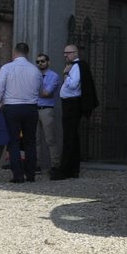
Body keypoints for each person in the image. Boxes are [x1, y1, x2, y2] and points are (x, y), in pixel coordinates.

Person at [0, 42, 42, 183]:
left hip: (12, 108)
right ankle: (31, 174)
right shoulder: (35, 70)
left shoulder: (7, 68)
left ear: (14, 53)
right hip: (31, 108)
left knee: (13, 142)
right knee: (30, 141)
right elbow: (38, 89)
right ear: (27, 53)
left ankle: (17, 175)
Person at [52, 43, 91, 179]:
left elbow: (73, 85)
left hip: (72, 105)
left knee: (69, 137)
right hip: (70, 104)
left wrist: (66, 75)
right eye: (64, 53)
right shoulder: (75, 67)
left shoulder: (75, 67)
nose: (65, 55)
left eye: (67, 53)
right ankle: (72, 169)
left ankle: (66, 169)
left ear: (75, 53)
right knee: (72, 136)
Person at [35, 52, 61, 175]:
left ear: (48, 62)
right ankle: (36, 165)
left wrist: (33, 89)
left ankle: (55, 165)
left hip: (47, 109)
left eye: (42, 61)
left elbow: (47, 93)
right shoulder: (34, 75)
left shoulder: (53, 76)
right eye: (38, 62)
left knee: (50, 139)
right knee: (35, 139)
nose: (40, 63)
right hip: (34, 109)